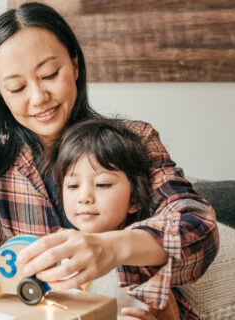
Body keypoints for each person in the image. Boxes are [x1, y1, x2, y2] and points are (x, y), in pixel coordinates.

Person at [0, 2, 218, 319]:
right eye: (17, 87)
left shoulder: (134, 141)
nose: (39, 97)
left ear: (75, 66)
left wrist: (110, 248)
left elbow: (200, 229)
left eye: (50, 74)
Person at [51, 119, 179, 319]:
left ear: (134, 199)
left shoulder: (144, 259)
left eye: (102, 184)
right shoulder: (55, 247)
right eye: (73, 186)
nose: (84, 197)